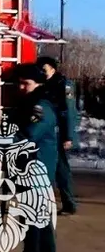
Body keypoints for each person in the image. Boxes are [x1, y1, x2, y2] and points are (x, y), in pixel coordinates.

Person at [12, 63, 58, 252]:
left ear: (38, 83)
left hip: (36, 167)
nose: (21, 87)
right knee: (42, 217)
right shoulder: (29, 103)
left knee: (30, 216)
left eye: (26, 83)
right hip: (32, 166)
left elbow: (29, 135)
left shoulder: (40, 107)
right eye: (19, 83)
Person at [37, 56, 79, 215]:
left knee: (61, 169)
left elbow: (69, 111)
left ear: (53, 69)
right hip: (47, 132)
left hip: (59, 133)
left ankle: (69, 204)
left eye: (45, 69)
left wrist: (68, 136)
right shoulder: (43, 85)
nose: (42, 72)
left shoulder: (64, 85)